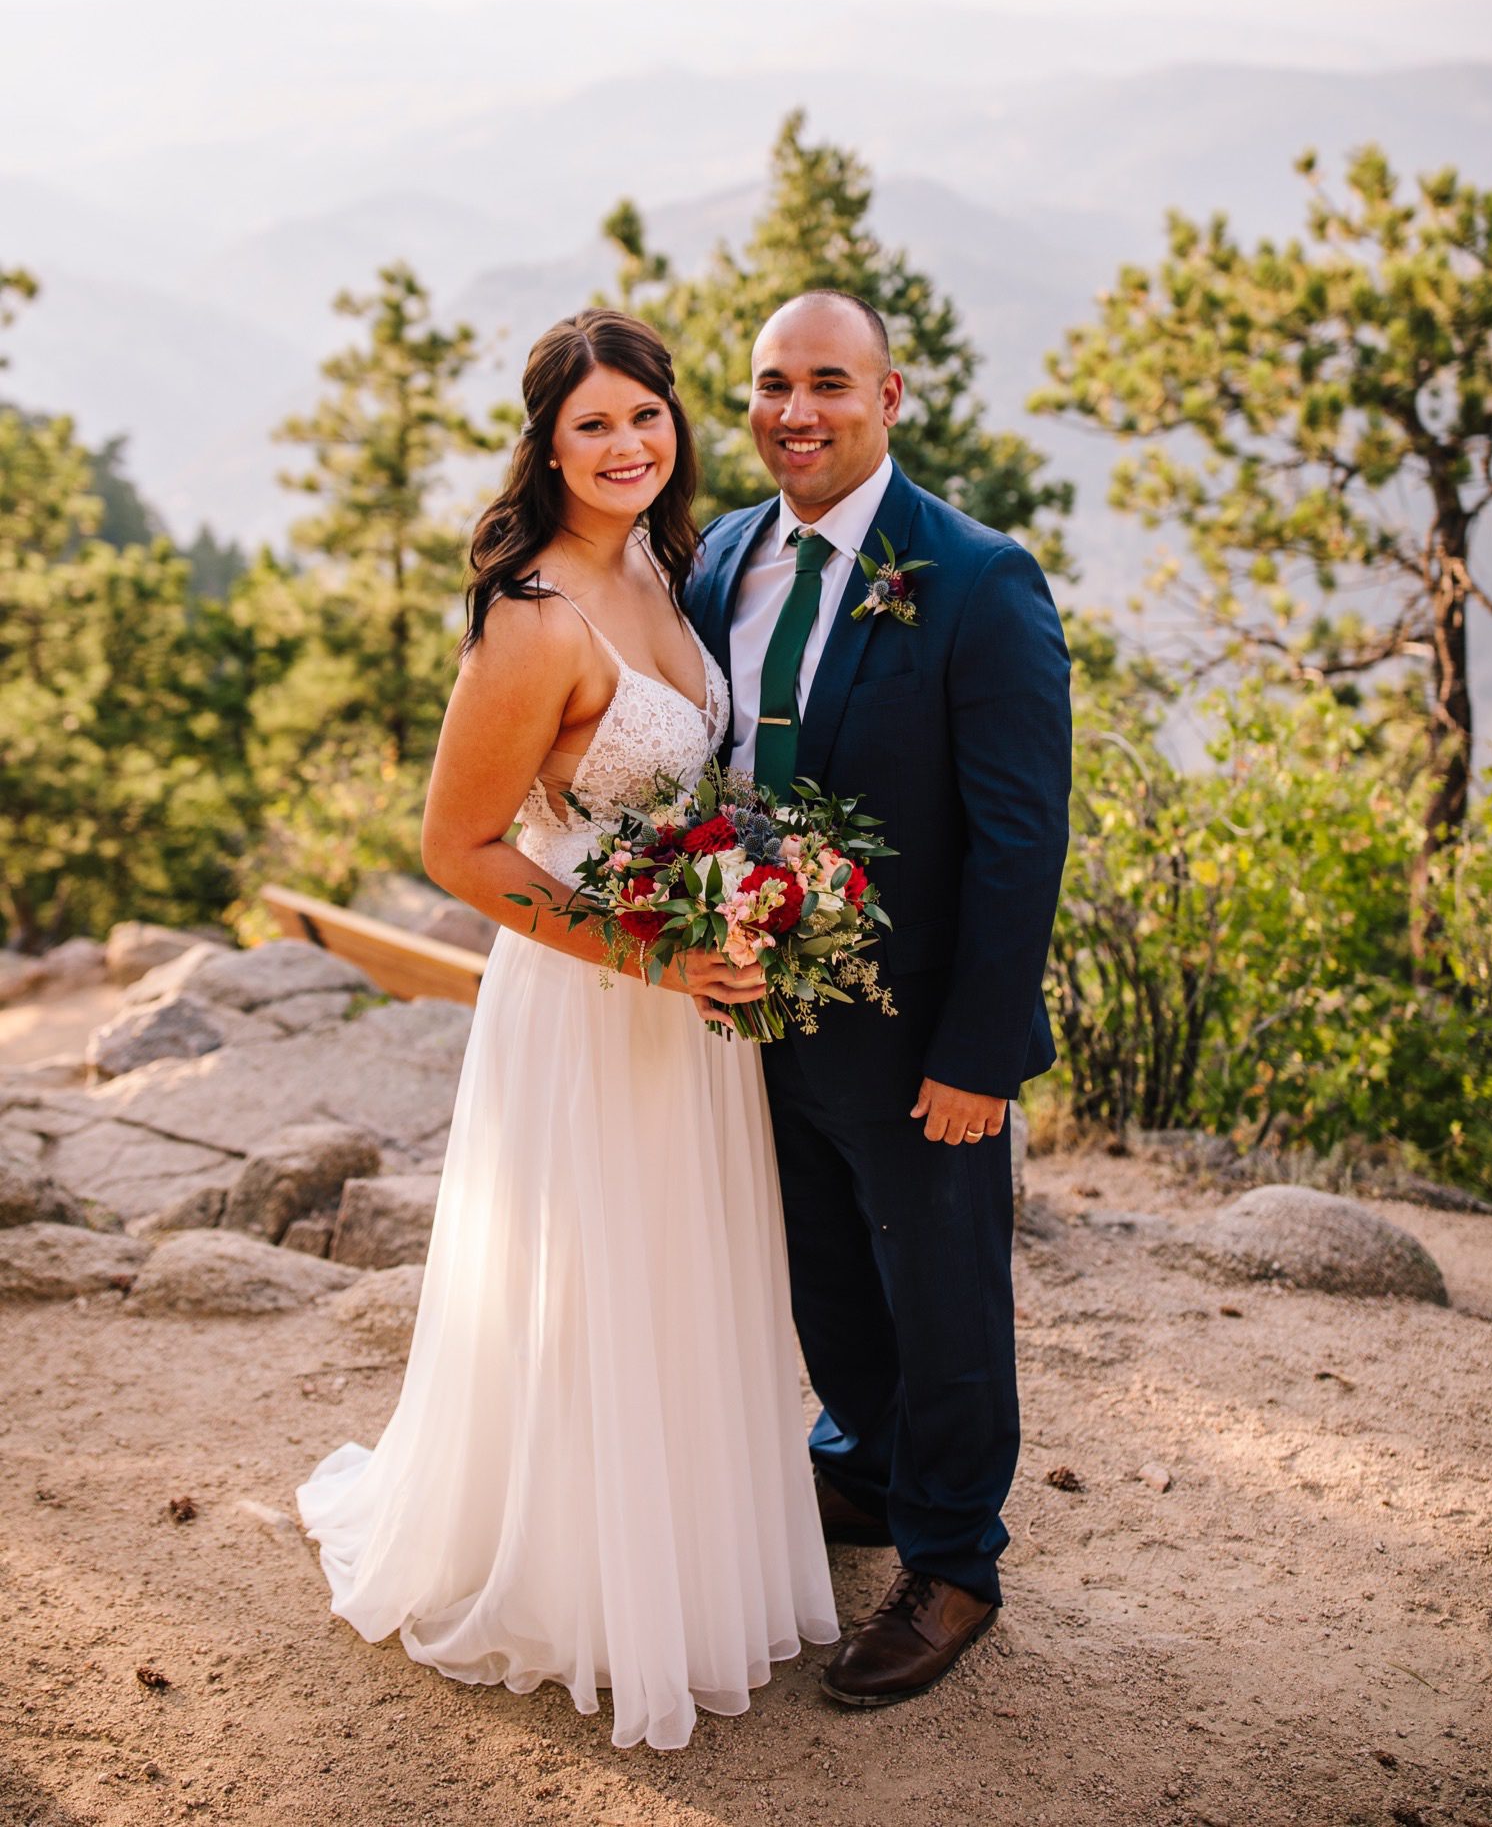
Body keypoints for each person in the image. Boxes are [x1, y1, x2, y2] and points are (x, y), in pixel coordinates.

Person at [297, 309, 838, 1753]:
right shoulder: (536, 616)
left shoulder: (669, 562)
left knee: (685, 1272)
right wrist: (650, 957)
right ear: (546, 440)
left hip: (690, 990)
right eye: (593, 423)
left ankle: (692, 1553)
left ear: (676, 425)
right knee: (596, 1277)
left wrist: (743, 905)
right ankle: (583, 1587)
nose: (626, 445)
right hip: (597, 994)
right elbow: (460, 847)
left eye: (646, 416)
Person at [686, 289, 1071, 1707]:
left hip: (922, 1041)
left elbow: (1023, 836)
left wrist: (980, 1050)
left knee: (944, 1295)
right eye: (772, 383)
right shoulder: (723, 553)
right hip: (758, 1014)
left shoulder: (976, 578)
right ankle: (861, 1464)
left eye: (829, 382)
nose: (797, 409)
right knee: (826, 1275)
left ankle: (956, 1560)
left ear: (890, 395)